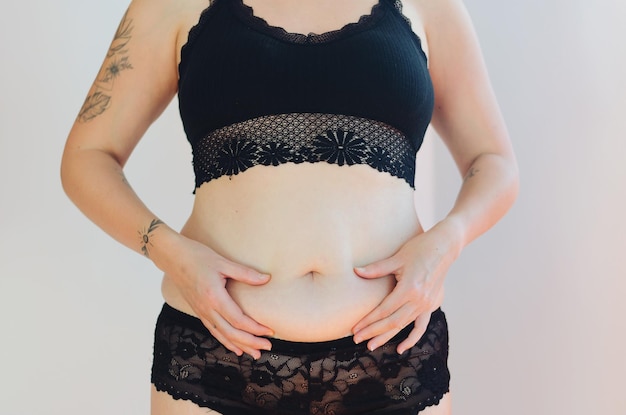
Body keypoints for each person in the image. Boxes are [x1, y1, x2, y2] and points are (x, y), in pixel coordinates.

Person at [61, 0, 518, 413]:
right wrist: (171, 253)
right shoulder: (172, 4)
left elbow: (493, 161)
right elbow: (87, 158)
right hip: (215, 355)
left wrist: (448, 240)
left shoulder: (429, 6)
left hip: (394, 354)